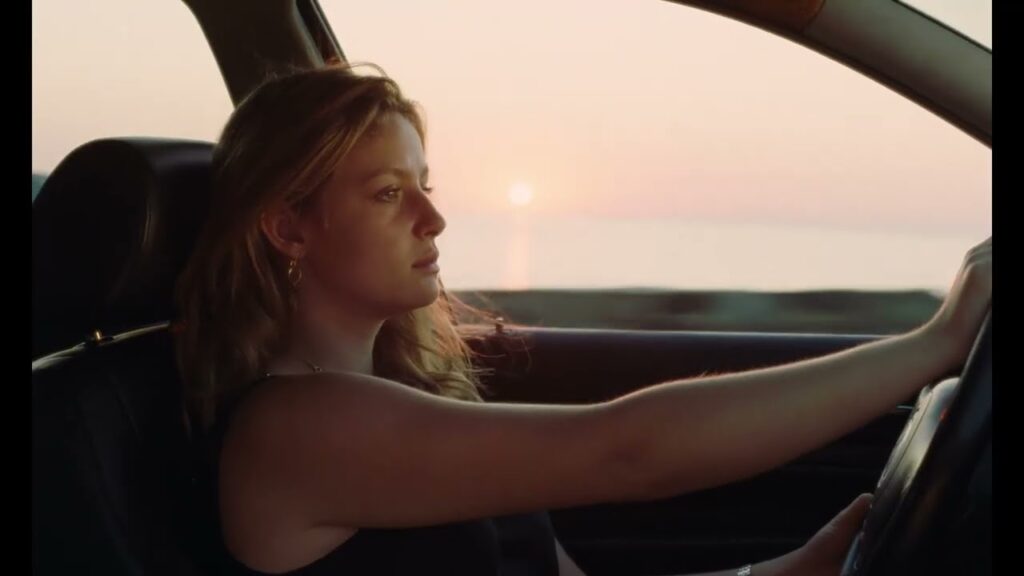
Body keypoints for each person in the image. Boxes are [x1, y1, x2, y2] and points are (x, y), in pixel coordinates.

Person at [174, 63, 992, 576]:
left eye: (426, 185)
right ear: (289, 229)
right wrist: (936, 343)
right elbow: (630, 450)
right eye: (390, 194)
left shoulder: (401, 405)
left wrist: (781, 573)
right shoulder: (294, 432)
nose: (433, 218)